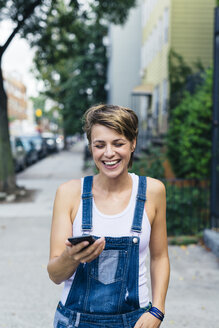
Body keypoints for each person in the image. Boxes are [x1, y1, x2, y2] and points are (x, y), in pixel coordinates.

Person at [48, 104, 170, 328]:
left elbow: (159, 257)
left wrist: (157, 310)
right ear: (91, 147)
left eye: (118, 143)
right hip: (75, 321)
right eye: (99, 145)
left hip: (136, 320)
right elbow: (55, 275)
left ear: (133, 143)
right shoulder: (69, 194)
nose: (109, 153)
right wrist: (71, 257)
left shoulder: (153, 192)